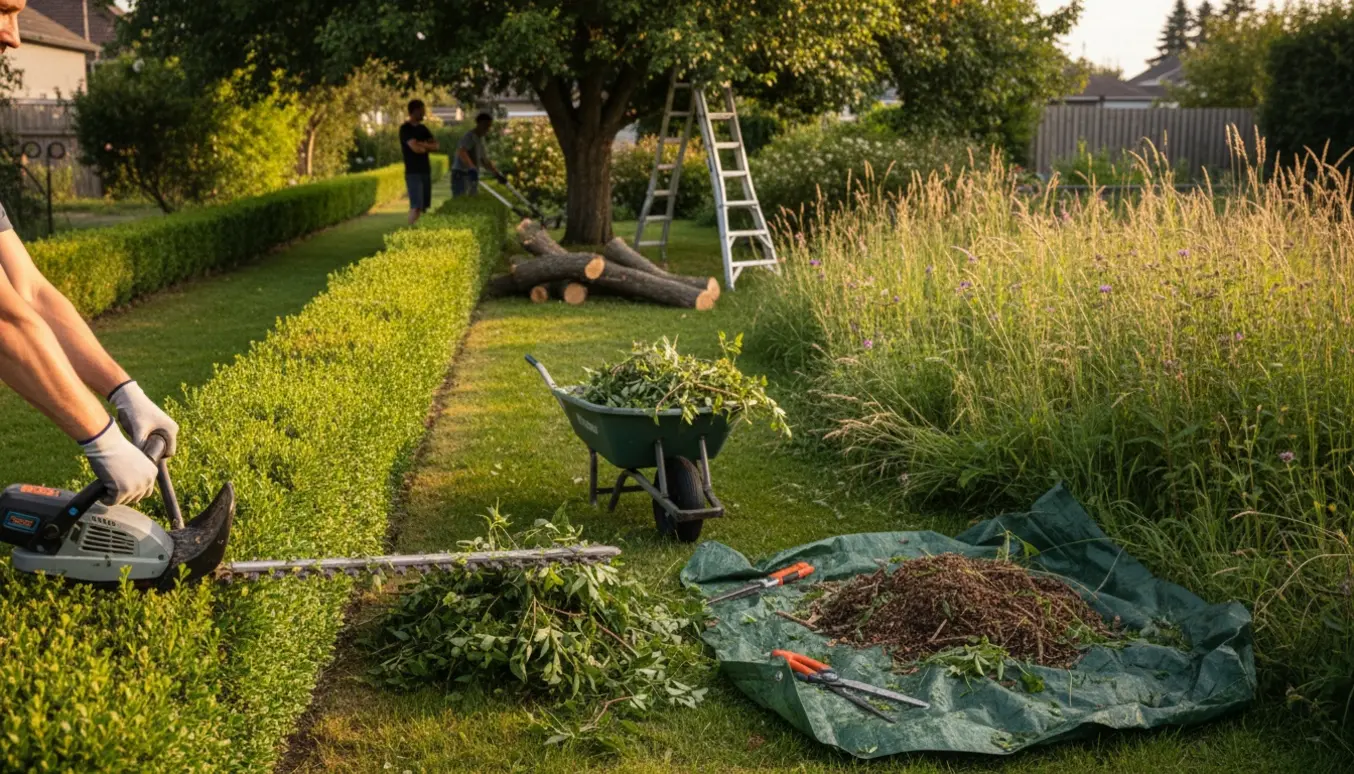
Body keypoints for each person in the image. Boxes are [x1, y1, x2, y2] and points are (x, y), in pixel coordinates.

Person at [399, 99, 439, 224]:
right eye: (422, 112)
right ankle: (410, 233)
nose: (424, 114)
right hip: (413, 172)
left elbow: (436, 146)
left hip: (425, 171)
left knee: (424, 207)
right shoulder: (405, 129)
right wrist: (426, 145)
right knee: (416, 206)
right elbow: (416, 149)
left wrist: (422, 144)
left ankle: (420, 233)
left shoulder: (423, 129)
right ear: (414, 111)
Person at [451, 112, 505, 197]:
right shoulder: (469, 136)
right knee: (462, 200)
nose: (487, 128)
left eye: (489, 126)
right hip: (461, 174)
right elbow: (462, 152)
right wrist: (472, 167)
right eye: (485, 125)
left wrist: (497, 174)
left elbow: (485, 161)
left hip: (471, 174)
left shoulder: (480, 140)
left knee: (472, 198)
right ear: (479, 123)